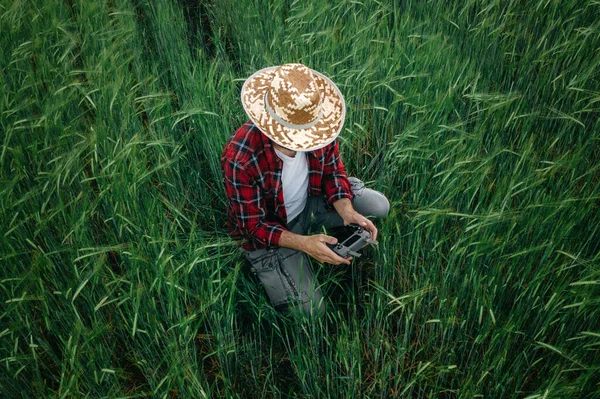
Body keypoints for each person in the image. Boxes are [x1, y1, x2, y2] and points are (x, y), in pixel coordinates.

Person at [221, 63, 390, 317]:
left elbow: (333, 172)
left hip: (310, 204)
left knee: (378, 207)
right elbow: (253, 226)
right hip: (271, 231)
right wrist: (305, 244)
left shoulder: (318, 127)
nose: (306, 140)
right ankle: (278, 266)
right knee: (312, 312)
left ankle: (338, 242)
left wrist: (346, 209)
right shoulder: (240, 157)